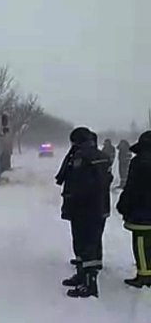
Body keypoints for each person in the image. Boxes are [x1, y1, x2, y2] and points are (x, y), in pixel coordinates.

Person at [55, 127, 113, 298]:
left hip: (84, 209)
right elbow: (107, 180)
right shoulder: (103, 156)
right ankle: (82, 275)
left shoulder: (81, 158)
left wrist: (71, 203)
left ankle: (89, 284)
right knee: (92, 242)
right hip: (100, 207)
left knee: (84, 244)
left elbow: (79, 185)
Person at [116, 131, 151, 288]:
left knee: (141, 243)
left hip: (142, 210)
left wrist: (123, 204)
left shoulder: (140, 161)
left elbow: (133, 186)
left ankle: (144, 276)